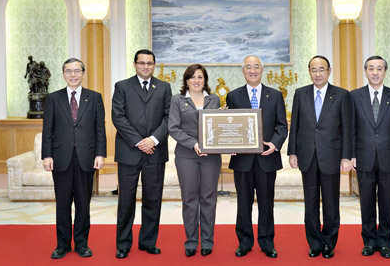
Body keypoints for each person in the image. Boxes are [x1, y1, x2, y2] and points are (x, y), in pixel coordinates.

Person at [287, 55, 352, 259]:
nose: (318, 73)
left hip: (331, 157)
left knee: (331, 204)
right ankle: (315, 243)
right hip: (307, 156)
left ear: (329, 71)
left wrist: (346, 157)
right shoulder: (300, 94)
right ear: (309, 72)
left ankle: (329, 243)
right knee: (311, 203)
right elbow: (295, 125)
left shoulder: (341, 95)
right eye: (314, 70)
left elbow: (347, 129)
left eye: (321, 69)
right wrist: (292, 152)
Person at [42, 58, 106, 259]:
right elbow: (47, 130)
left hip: (86, 158)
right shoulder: (53, 98)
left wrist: (100, 154)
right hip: (61, 158)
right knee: (62, 204)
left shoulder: (94, 97)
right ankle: (62, 245)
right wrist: (47, 155)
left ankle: (81, 243)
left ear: (83, 73)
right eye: (68, 71)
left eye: (76, 70)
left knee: (83, 204)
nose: (73, 75)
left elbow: (100, 129)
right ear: (63, 74)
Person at [227, 55, 288, 259]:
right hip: (242, 160)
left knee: (266, 203)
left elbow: (282, 126)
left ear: (262, 70)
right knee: (243, 203)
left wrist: (275, 144)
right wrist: (228, 143)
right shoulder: (233, 96)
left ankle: (267, 242)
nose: (252, 70)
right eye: (248, 67)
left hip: (267, 158)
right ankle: (244, 242)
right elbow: (230, 125)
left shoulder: (276, 95)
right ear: (243, 71)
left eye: (256, 67)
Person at [113, 49, 172, 259]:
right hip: (129, 152)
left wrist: (153, 140)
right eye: (142, 63)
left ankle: (148, 242)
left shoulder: (164, 87)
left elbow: (169, 117)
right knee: (126, 200)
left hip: (155, 152)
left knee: (153, 199)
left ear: (154, 65)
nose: (146, 66)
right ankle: (123, 244)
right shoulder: (122, 86)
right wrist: (139, 142)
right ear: (135, 64)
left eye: (150, 63)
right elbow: (118, 117)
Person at [351, 55, 390, 259]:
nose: (375, 72)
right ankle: (369, 242)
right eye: (371, 69)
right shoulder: (354, 96)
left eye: (379, 69)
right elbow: (351, 129)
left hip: (389, 157)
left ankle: (385, 242)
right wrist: (351, 155)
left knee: (386, 203)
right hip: (363, 157)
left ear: (385, 72)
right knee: (366, 202)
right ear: (365, 71)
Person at [168, 64, 221, 257]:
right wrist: (194, 144)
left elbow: (219, 126)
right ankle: (191, 241)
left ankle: (207, 240)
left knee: (208, 198)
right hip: (186, 156)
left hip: (211, 158)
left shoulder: (214, 99)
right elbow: (173, 128)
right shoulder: (177, 100)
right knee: (190, 199)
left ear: (205, 80)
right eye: (192, 77)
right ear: (186, 80)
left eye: (200, 77)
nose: (196, 80)